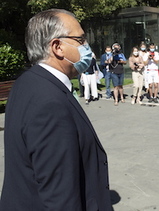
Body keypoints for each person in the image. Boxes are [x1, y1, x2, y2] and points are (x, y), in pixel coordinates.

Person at [0, 9, 112, 210]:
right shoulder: (49, 101)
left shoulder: (28, 82)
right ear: (58, 47)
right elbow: (60, 195)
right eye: (80, 39)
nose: (86, 46)